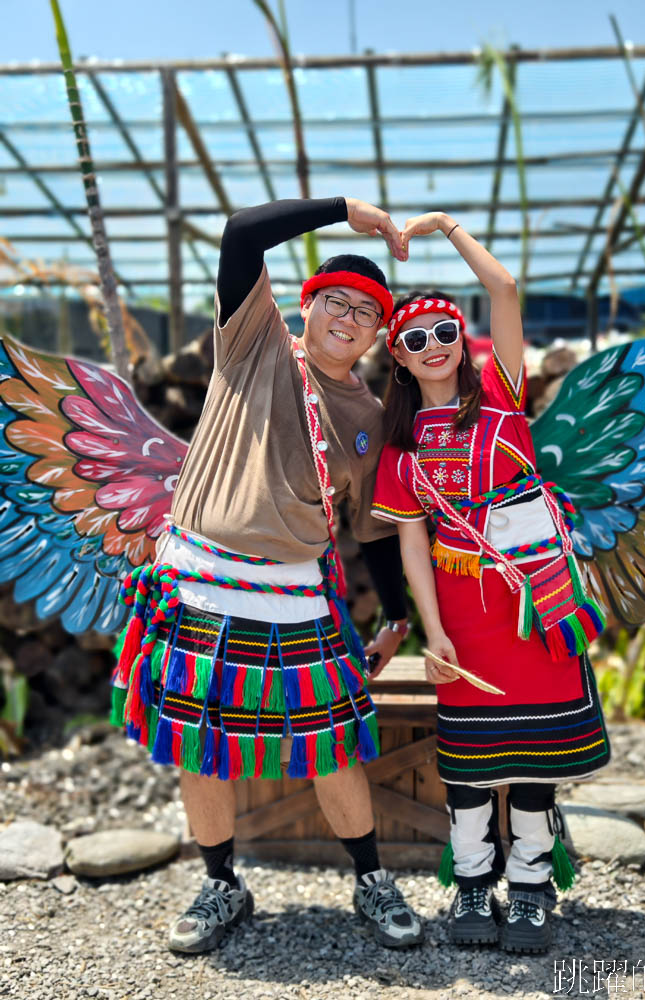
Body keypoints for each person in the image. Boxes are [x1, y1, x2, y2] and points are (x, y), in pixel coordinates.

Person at [113, 197, 424, 953]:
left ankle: (370, 880)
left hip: (295, 599)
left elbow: (374, 531)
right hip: (197, 586)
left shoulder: (372, 418)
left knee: (333, 749)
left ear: (379, 336)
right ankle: (221, 883)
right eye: (336, 302)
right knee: (197, 747)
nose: (348, 318)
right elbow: (241, 234)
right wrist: (347, 211)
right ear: (306, 306)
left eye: (367, 313)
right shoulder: (252, 343)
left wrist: (394, 616)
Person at [371, 211, 611, 954]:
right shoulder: (401, 447)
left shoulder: (503, 404)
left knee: (535, 762)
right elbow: (411, 545)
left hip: (535, 611)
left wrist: (447, 229)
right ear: (400, 361)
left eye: (445, 332)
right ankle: (473, 885)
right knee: (470, 763)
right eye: (415, 341)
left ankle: (533, 887)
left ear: (462, 344)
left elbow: (504, 289)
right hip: (464, 623)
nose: (433, 347)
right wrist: (434, 631)